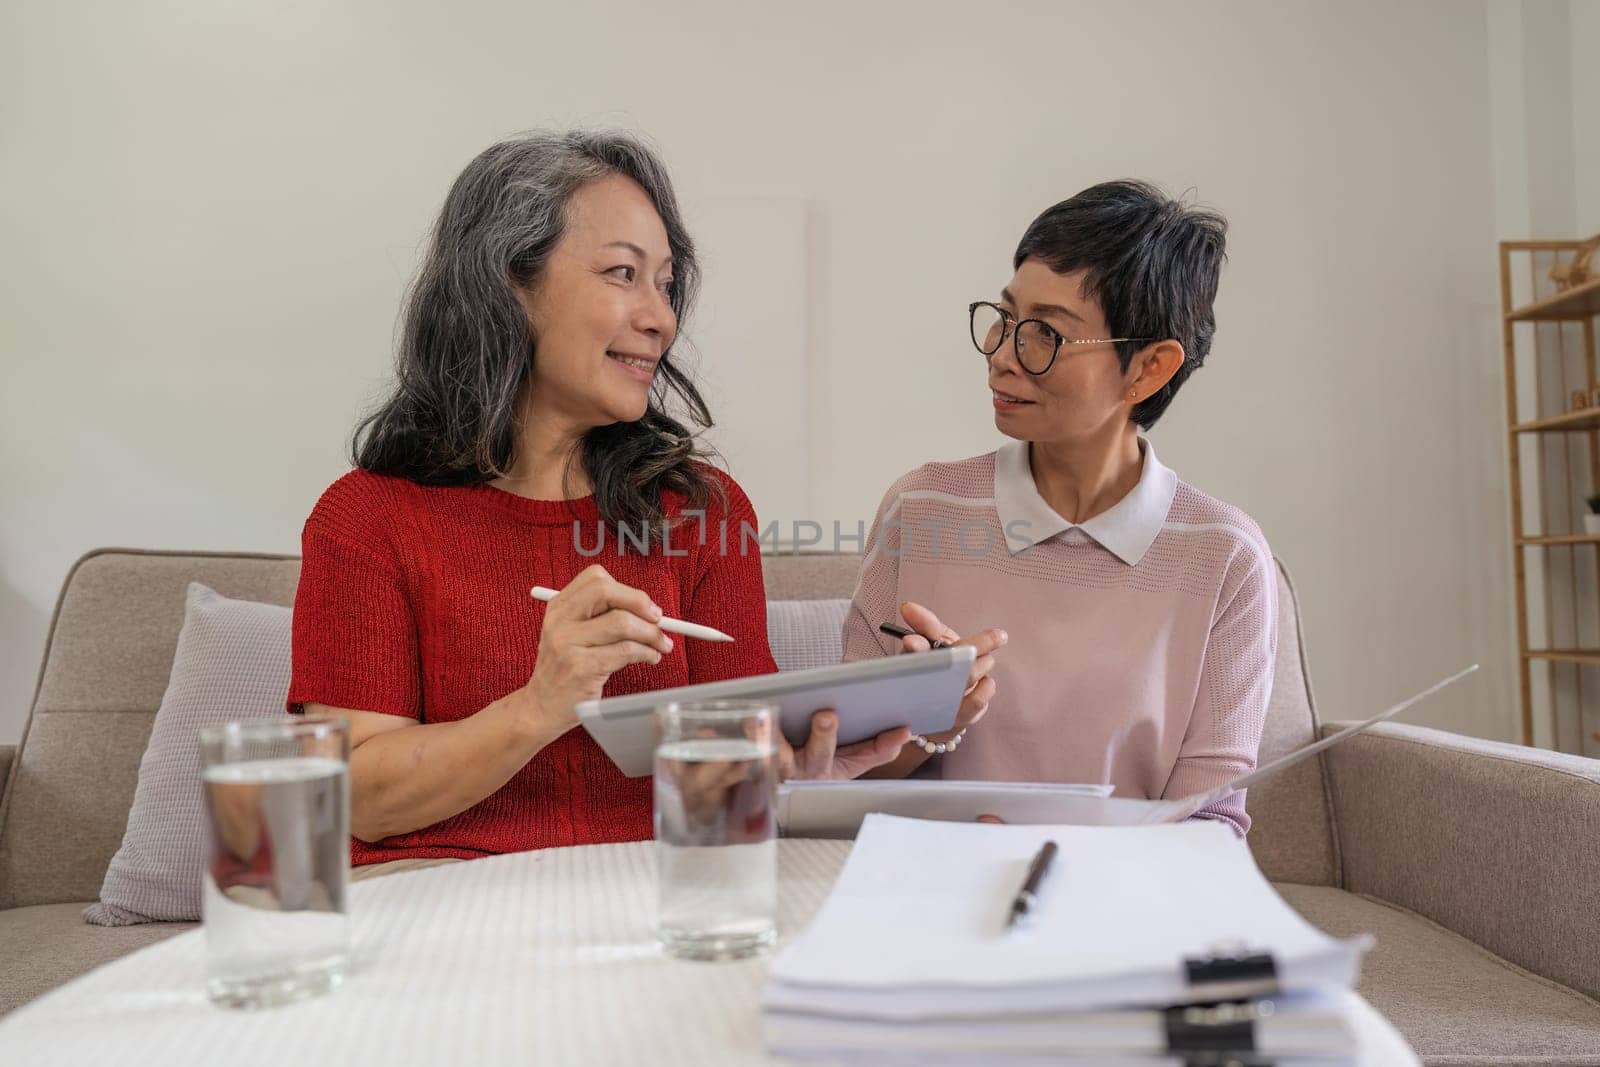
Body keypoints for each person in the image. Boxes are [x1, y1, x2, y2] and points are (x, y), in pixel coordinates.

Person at [288, 130, 908, 875]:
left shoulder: (704, 512)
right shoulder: (368, 518)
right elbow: (353, 796)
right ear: (505, 282)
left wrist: (801, 764)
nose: (662, 318)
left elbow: (732, 783)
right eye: (624, 273)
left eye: (667, 284)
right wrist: (542, 703)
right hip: (439, 901)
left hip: (655, 894)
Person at [846, 180, 1277, 836]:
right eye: (1004, 318)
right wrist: (927, 721)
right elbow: (839, 774)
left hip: (1125, 913)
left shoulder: (1224, 559)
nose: (1000, 355)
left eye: (1043, 335)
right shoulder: (921, 510)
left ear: (1148, 370)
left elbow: (1211, 822)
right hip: (929, 895)